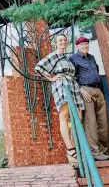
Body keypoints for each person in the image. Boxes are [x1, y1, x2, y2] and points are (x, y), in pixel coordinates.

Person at [35, 34, 84, 164]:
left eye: (64, 40)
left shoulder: (67, 58)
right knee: (65, 115)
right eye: (60, 40)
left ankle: (75, 147)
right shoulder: (54, 55)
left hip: (73, 85)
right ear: (55, 43)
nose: (63, 42)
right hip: (62, 85)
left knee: (78, 117)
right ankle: (70, 149)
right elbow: (38, 67)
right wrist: (51, 78)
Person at [69, 36, 109, 161]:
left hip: (98, 91)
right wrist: (81, 89)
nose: (85, 46)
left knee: (103, 122)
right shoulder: (73, 58)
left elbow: (97, 71)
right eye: (82, 45)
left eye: (86, 44)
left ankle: (104, 151)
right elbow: (71, 77)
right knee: (91, 122)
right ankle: (95, 152)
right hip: (86, 91)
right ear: (77, 47)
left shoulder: (91, 57)